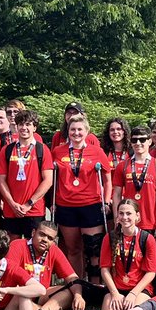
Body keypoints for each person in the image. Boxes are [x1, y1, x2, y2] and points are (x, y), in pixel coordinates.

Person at [52, 112, 111, 280]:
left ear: (86, 131)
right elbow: (52, 177)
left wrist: (106, 201)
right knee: (73, 249)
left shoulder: (97, 151)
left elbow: (107, 179)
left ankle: (95, 284)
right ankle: (76, 285)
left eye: (79, 129)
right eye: (72, 130)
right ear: (68, 131)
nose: (76, 133)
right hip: (66, 206)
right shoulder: (58, 151)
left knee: (93, 248)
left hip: (91, 205)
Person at [87, 199, 156, 310]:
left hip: (138, 289)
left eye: (129, 213)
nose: (124, 217)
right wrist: (114, 293)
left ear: (137, 216)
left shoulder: (147, 239)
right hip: (115, 288)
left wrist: (133, 294)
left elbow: (151, 273)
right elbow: (104, 269)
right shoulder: (109, 238)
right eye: (121, 213)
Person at [7, 220, 83, 310]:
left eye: (50, 238)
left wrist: (78, 295)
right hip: (20, 294)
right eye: (42, 235)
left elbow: (72, 277)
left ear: (53, 241)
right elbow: (10, 275)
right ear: (33, 233)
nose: (45, 240)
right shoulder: (18, 245)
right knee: (21, 299)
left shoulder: (54, 250)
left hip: (42, 294)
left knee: (69, 292)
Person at [0, 109, 53, 239]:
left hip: (34, 209)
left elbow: (48, 180)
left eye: (28, 124)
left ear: (34, 128)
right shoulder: (7, 150)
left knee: (32, 249)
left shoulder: (42, 149)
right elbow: (1, 180)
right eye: (21, 124)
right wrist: (12, 204)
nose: (24, 128)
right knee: (12, 248)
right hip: (11, 210)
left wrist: (28, 204)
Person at [112, 124, 156, 239]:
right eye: (134, 140)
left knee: (155, 257)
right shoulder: (123, 166)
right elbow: (116, 195)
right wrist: (117, 219)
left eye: (142, 139)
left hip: (151, 222)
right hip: (128, 222)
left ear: (149, 141)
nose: (138, 143)